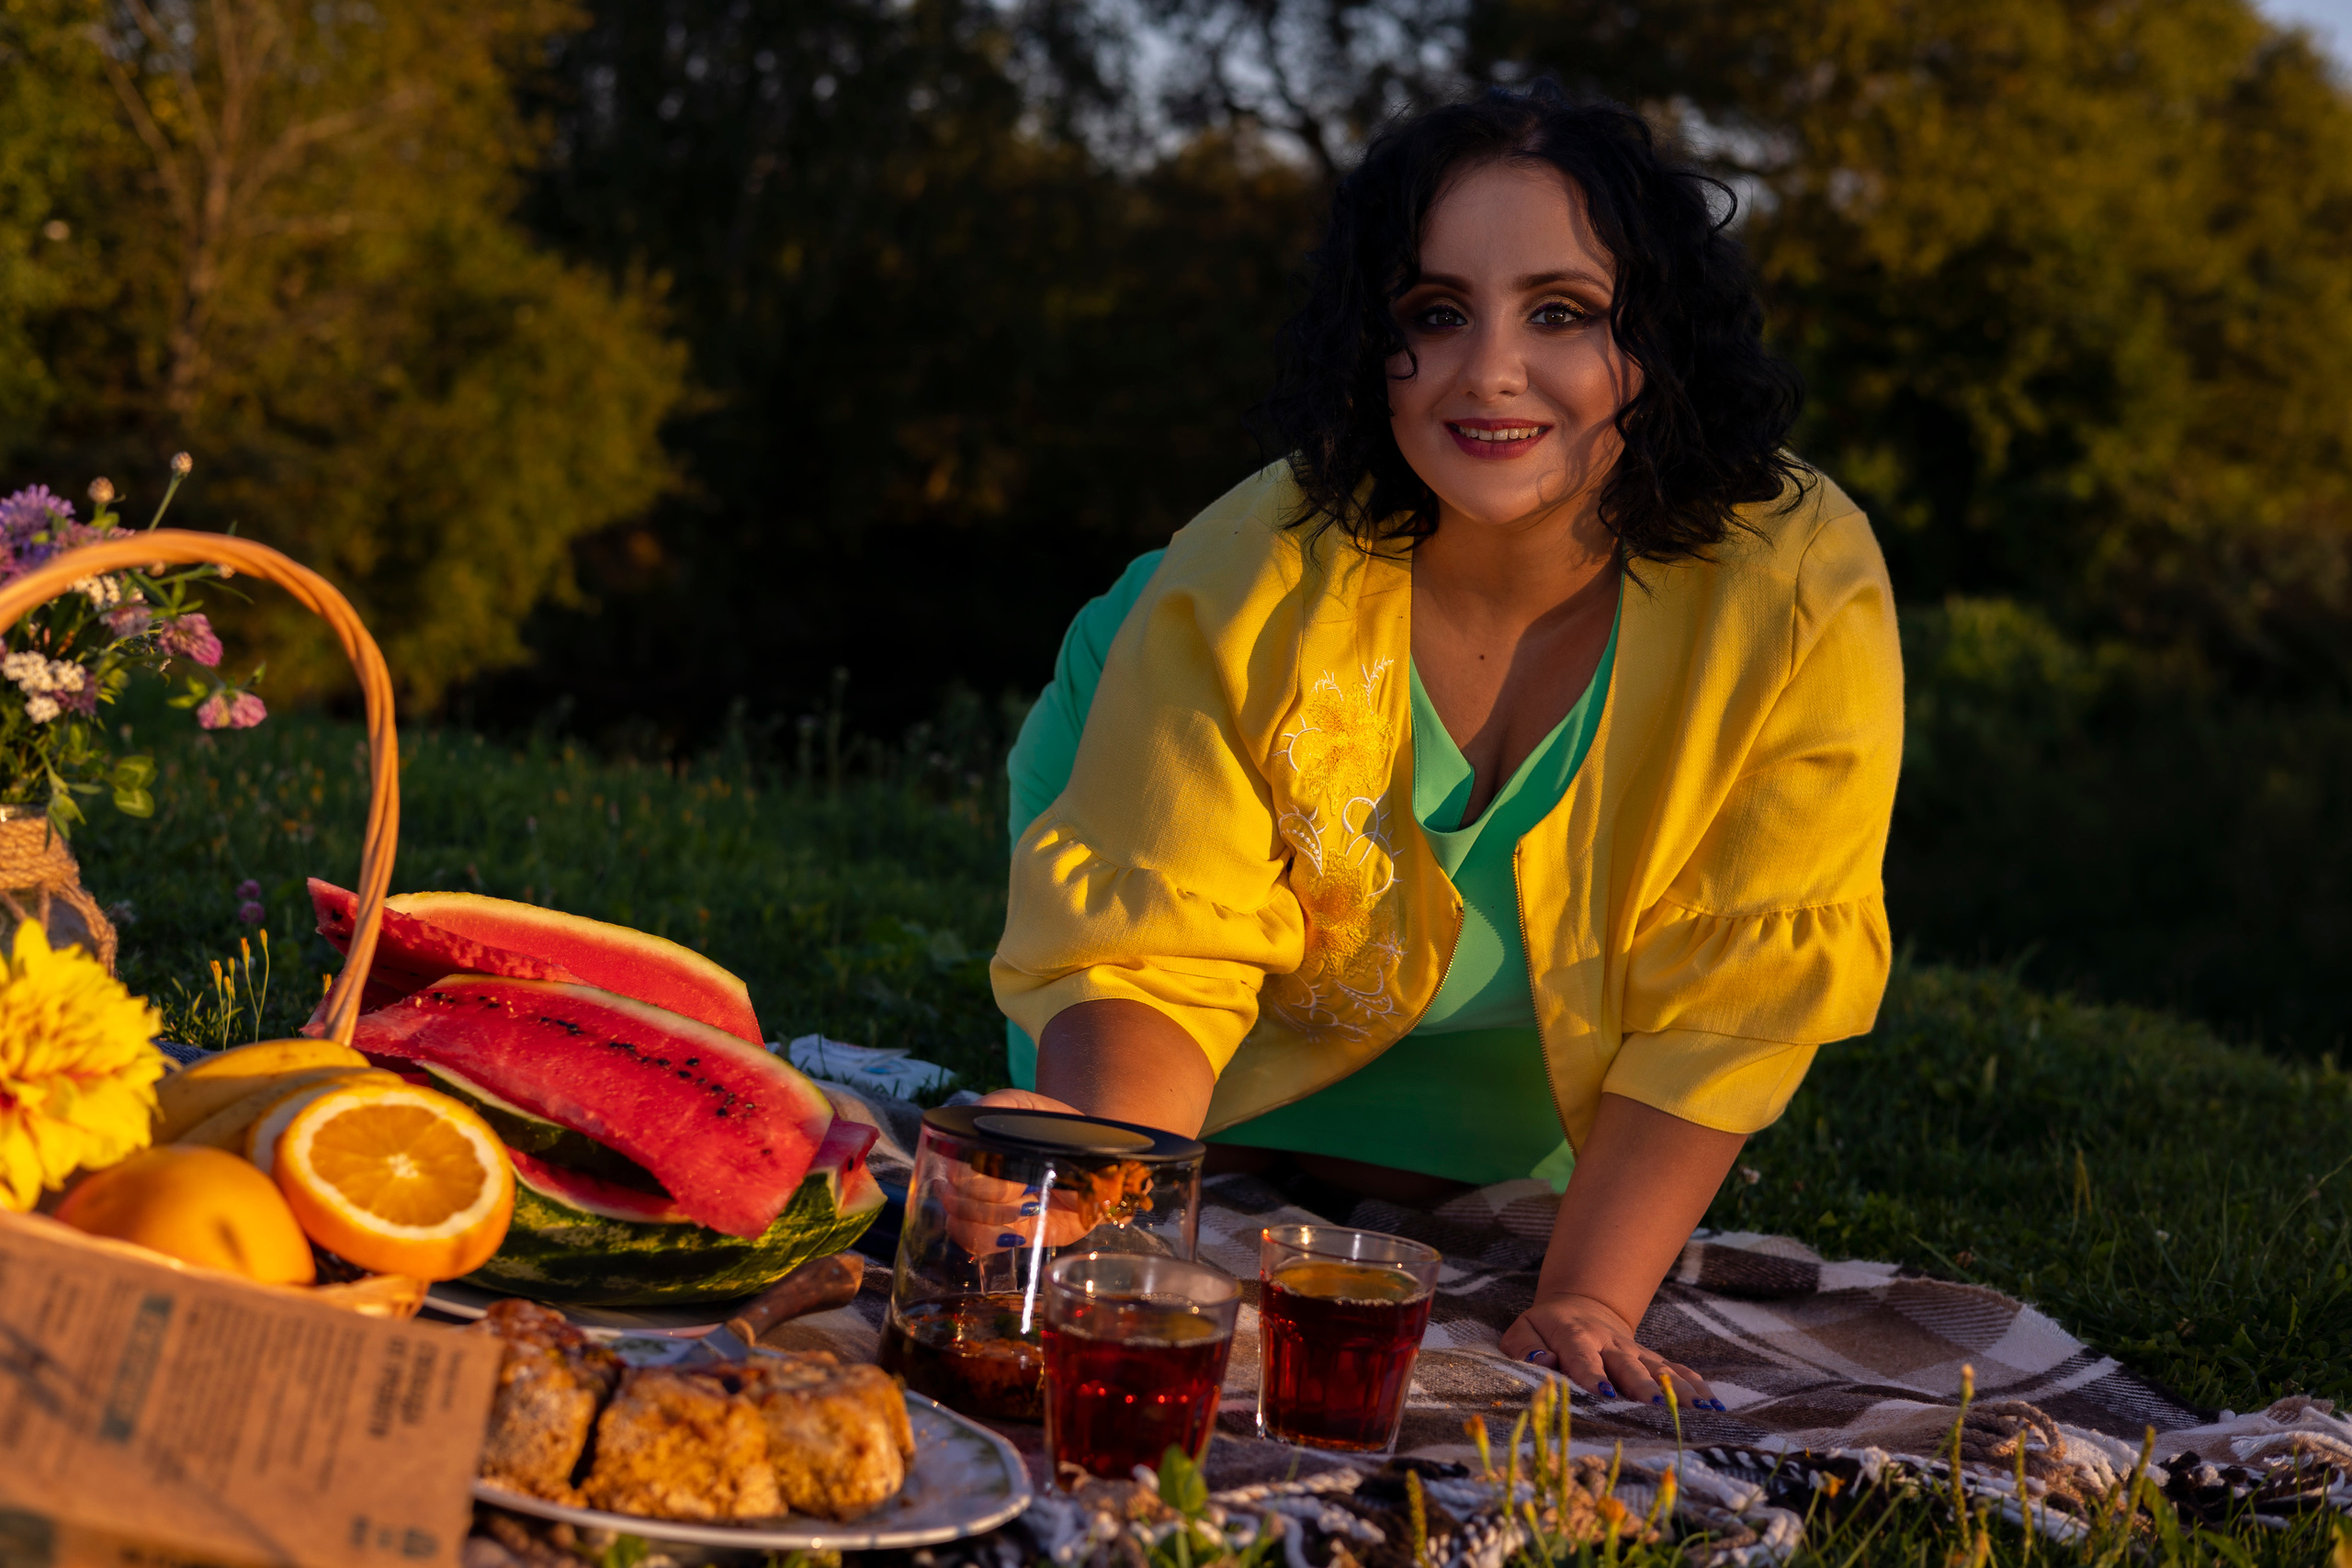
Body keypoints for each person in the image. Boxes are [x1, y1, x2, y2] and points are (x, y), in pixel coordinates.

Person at [979, 83, 1903, 1410]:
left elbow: (1737, 996)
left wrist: (1584, 1298)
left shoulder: (1795, 583)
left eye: (1563, 312)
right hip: (1193, 1087)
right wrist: (1114, 1248)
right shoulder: (1251, 568)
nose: (1491, 373)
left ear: (1658, 337)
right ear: (1373, 342)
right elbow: (1147, 954)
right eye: (1434, 314)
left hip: (1509, 1156)